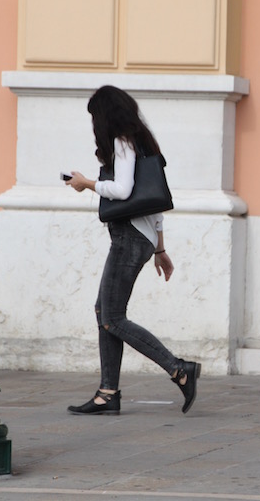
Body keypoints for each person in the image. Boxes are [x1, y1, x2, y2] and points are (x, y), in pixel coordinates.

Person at [65, 85, 200, 415]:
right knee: (105, 312)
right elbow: (154, 201)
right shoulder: (141, 141)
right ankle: (107, 392)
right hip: (141, 239)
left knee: (112, 317)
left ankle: (179, 369)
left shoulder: (123, 140)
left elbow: (123, 191)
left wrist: (86, 184)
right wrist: (159, 248)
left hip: (128, 238)